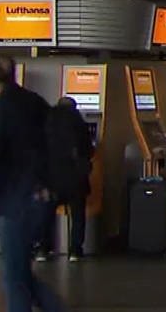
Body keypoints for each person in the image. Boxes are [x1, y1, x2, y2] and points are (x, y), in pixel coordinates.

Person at [0, 58, 64, 312]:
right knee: (20, 271)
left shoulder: (2, 109)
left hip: (17, 199)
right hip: (42, 195)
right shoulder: (35, 101)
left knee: (14, 276)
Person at [42, 97, 95, 262]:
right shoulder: (79, 123)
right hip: (75, 177)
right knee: (78, 215)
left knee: (47, 214)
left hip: (53, 178)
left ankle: (44, 249)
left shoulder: (47, 122)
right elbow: (88, 150)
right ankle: (75, 250)